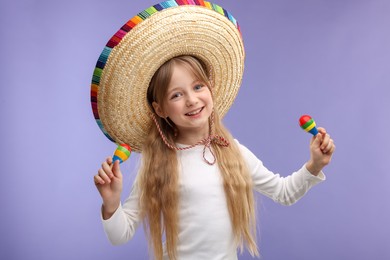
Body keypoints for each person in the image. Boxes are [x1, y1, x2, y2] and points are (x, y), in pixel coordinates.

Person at [91, 2, 335, 260]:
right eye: (176, 94)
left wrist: (314, 165)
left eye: (198, 87)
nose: (192, 100)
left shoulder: (232, 151)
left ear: (210, 88)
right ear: (160, 108)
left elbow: (284, 193)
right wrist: (111, 203)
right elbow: (120, 235)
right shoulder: (157, 165)